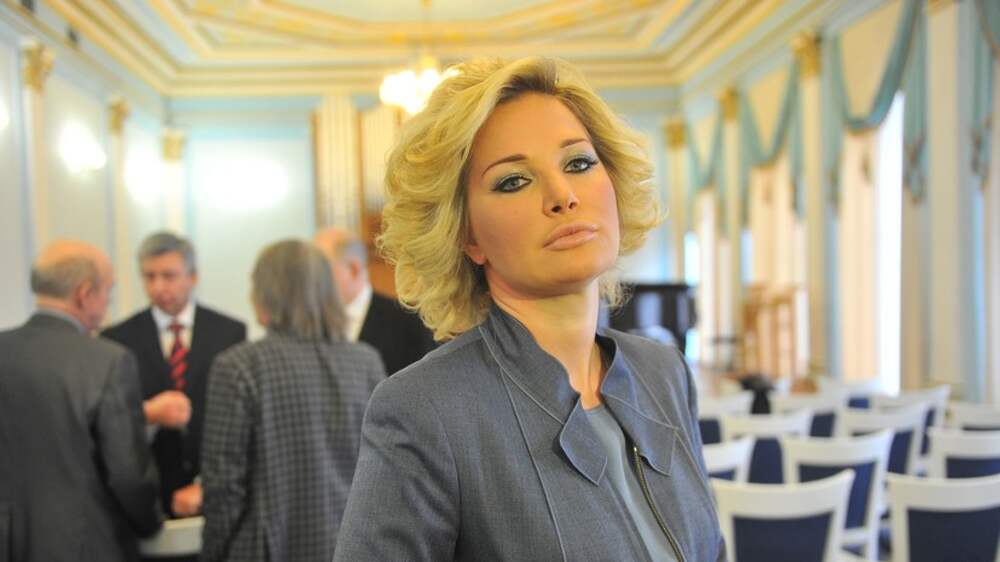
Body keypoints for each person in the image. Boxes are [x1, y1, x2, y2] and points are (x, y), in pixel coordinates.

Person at [334, 57, 724, 561]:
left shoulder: (663, 372)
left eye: (578, 163)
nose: (563, 196)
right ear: (467, 235)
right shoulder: (425, 409)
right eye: (514, 181)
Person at [200, 239, 386, 562]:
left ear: (266, 293)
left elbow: (223, 488)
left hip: (264, 549)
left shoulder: (239, 367)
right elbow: (382, 475)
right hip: (352, 549)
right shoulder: (367, 363)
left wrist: (212, 553)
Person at [0, 240, 162, 562]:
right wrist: (151, 522)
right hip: (85, 545)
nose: (107, 305)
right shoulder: (108, 361)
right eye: (108, 293)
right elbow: (128, 473)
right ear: (85, 293)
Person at [102, 232, 246, 520]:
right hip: (149, 495)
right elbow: (110, 420)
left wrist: (208, 484)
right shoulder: (117, 339)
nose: (158, 286)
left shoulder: (229, 332)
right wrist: (149, 414)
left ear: (192, 277)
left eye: (168, 276)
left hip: (216, 490)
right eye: (149, 276)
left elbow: (241, 418)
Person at [313, 227, 436, 375]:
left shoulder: (408, 322)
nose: (312, 279)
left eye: (320, 270)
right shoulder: (311, 322)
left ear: (353, 269)